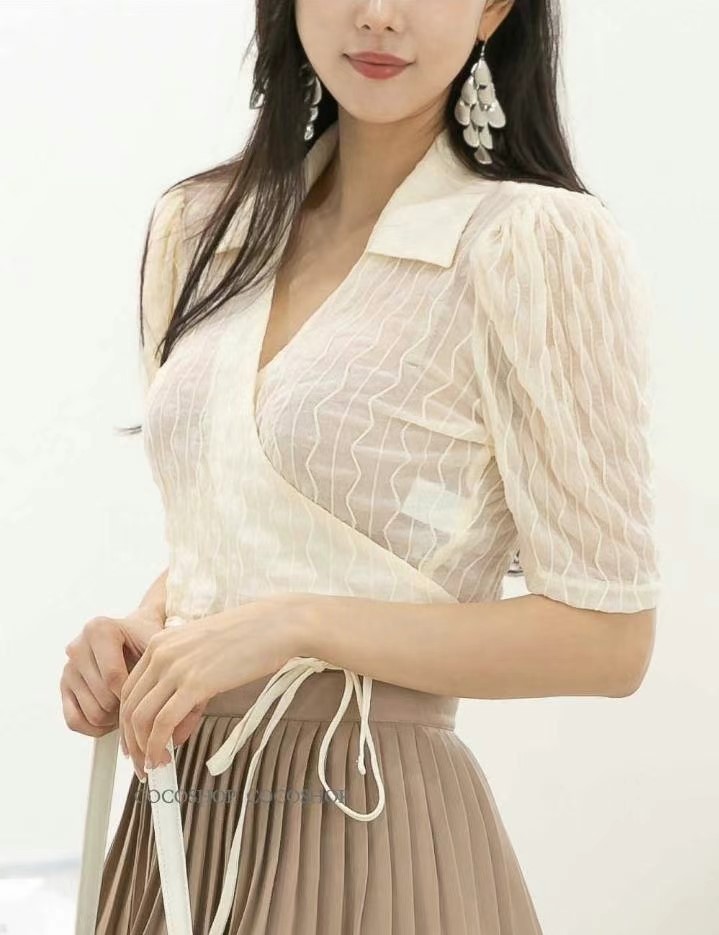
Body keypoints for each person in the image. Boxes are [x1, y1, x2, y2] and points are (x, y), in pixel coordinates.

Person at [62, 0, 662, 932]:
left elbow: (609, 639)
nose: (378, 17)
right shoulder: (199, 228)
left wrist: (301, 625)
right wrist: (148, 630)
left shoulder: (530, 242)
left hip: (369, 826)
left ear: (493, 9)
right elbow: (242, 519)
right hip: (177, 826)